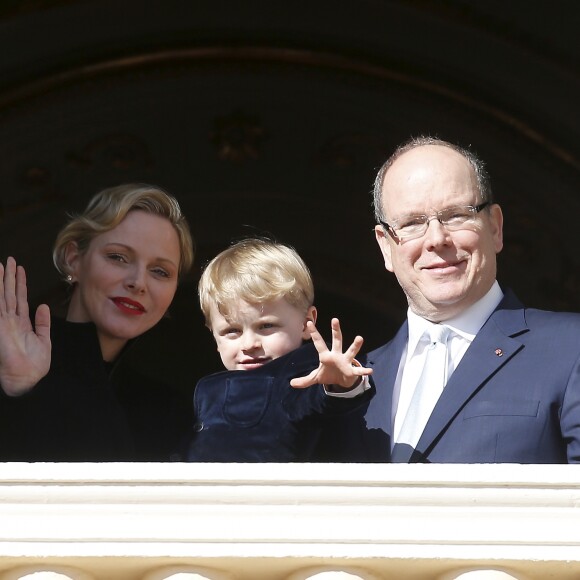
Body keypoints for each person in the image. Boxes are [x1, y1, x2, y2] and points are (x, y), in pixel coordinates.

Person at [317, 135, 580, 464]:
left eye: (456, 215)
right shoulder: (357, 380)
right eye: (412, 223)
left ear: (495, 227)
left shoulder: (570, 347)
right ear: (386, 246)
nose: (436, 239)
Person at [0, 183, 195, 461]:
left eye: (160, 271)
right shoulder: (10, 361)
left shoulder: (170, 411)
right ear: (74, 260)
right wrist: (19, 391)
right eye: (118, 257)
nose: (138, 282)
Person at [186, 238, 372, 462]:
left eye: (266, 326)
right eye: (232, 331)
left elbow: (322, 401)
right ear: (214, 336)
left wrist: (339, 382)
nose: (249, 344)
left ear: (306, 323)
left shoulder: (301, 378)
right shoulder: (205, 390)